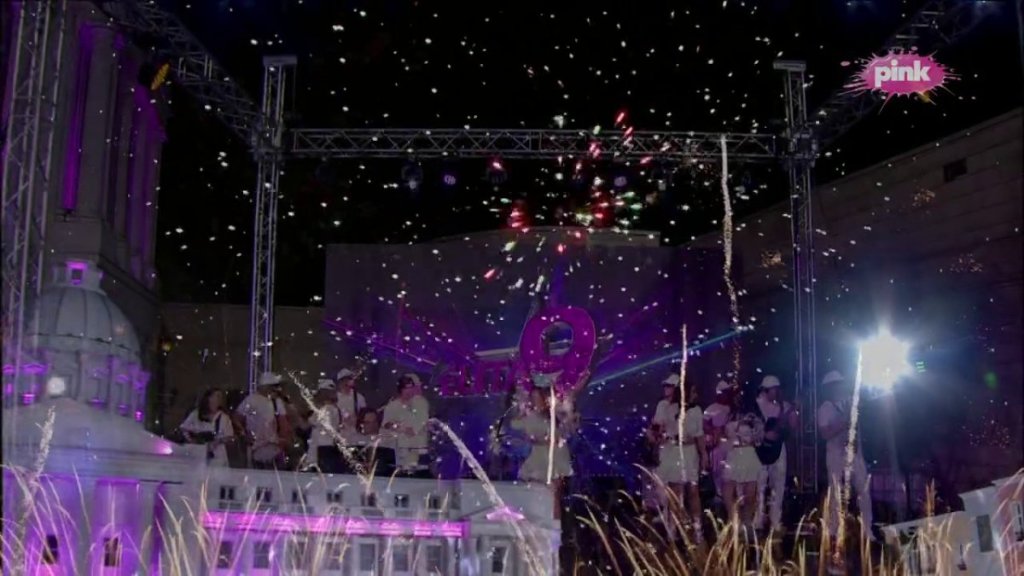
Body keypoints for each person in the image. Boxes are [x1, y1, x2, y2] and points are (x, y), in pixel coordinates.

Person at [649, 374, 708, 541]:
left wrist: (704, 455)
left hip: (689, 453)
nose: (695, 394)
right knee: (676, 493)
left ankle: (697, 529)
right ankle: (673, 529)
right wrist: (656, 436)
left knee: (693, 491)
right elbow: (656, 428)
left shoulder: (696, 410)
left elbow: (699, 435)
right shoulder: (665, 406)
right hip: (672, 451)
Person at [817, 370, 874, 541]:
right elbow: (825, 434)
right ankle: (834, 530)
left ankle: (867, 529)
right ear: (829, 388)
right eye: (835, 385)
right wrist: (844, 423)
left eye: (840, 384)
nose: (838, 387)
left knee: (863, 490)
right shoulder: (825, 408)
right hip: (835, 454)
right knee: (836, 491)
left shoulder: (851, 402)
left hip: (855, 454)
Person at [510, 385, 575, 519]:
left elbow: (563, 434)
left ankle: (555, 524)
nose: (536, 401)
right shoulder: (530, 417)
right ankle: (539, 520)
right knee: (535, 492)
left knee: (554, 494)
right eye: (533, 398)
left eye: (538, 398)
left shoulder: (555, 416)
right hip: (538, 459)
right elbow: (514, 426)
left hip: (555, 458)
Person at [754, 375, 798, 534]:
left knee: (778, 485)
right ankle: (758, 520)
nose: (777, 392)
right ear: (766, 390)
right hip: (760, 449)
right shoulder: (755, 405)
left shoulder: (783, 406)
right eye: (774, 389)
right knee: (759, 485)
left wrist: (792, 414)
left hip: (779, 448)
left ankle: (775, 520)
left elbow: (793, 427)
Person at [722, 400, 764, 532]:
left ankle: (747, 523)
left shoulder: (755, 419)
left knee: (749, 495)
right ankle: (734, 521)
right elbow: (725, 434)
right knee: (728, 490)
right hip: (733, 455)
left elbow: (759, 437)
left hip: (748, 455)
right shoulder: (730, 415)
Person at [237, 372, 289, 469]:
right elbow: (237, 418)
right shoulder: (251, 400)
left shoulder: (277, 402)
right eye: (273, 386)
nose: (275, 389)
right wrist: (244, 433)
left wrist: (283, 441)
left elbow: (283, 424)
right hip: (255, 447)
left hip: (274, 447)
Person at [382, 374, 431, 474]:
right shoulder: (392, 406)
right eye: (406, 388)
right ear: (401, 389)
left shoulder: (421, 403)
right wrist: (398, 427)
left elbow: (422, 421)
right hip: (401, 448)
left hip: (419, 447)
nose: (409, 391)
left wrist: (411, 429)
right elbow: (386, 423)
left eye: (411, 387)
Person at [180, 388, 235, 466]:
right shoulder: (196, 414)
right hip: (198, 454)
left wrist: (217, 442)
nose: (219, 399)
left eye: (221, 397)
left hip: (217, 456)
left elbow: (229, 436)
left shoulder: (224, 417)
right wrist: (192, 440)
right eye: (217, 396)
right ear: (209, 398)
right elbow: (184, 428)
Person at [704, 380, 735, 498]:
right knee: (717, 472)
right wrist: (714, 430)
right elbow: (703, 423)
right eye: (724, 392)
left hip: (731, 445)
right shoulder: (711, 408)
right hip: (718, 445)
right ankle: (719, 495)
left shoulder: (732, 408)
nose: (726, 395)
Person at [304, 379, 344, 470]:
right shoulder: (332, 408)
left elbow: (309, 423)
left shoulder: (328, 409)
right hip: (321, 448)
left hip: (323, 449)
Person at [335, 368, 367, 441]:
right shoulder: (334, 398)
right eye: (344, 380)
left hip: (355, 436)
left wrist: (356, 419)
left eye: (349, 379)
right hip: (338, 436)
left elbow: (365, 416)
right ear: (339, 382)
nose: (346, 383)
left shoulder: (359, 398)